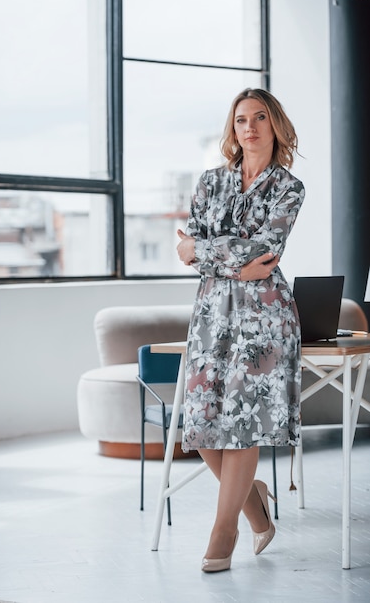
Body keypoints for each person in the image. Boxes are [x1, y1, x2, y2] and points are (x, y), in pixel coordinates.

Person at [176, 87, 305, 573]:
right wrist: (221, 255)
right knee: (202, 418)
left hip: (265, 315)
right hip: (212, 312)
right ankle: (254, 503)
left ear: (275, 125)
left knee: (244, 420)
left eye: (259, 118)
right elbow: (191, 247)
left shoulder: (289, 188)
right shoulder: (210, 182)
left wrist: (205, 253)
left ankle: (224, 529)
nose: (249, 127)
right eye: (241, 120)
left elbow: (261, 253)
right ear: (233, 129)